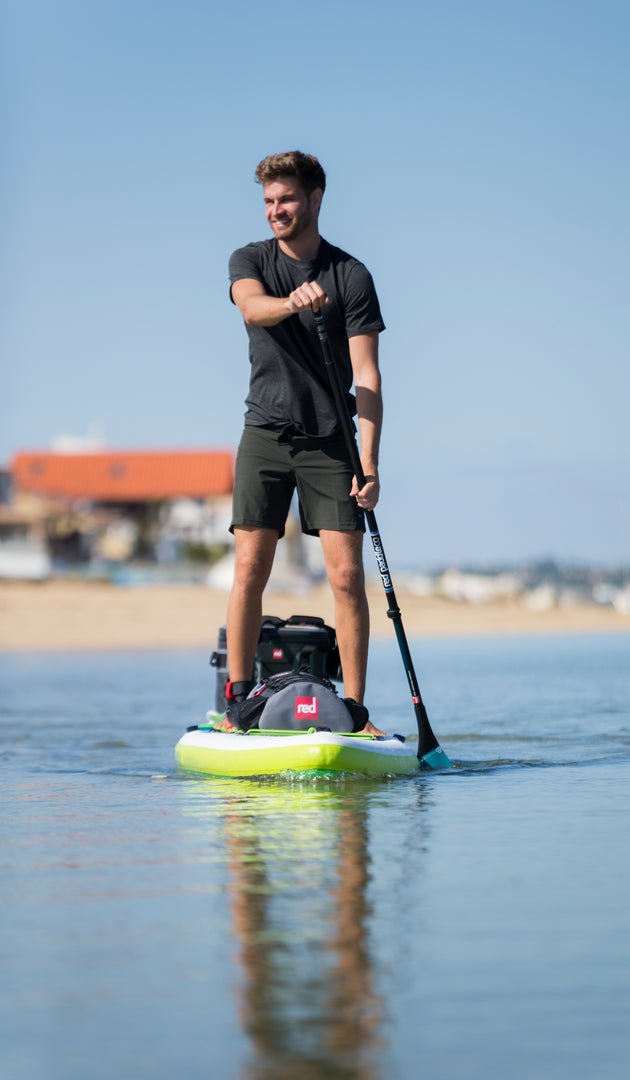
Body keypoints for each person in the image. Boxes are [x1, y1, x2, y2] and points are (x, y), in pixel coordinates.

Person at [223, 151, 385, 736]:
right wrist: (290, 302)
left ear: (315, 199)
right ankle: (237, 707)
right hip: (264, 434)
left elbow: (366, 375)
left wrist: (369, 459)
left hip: (330, 441)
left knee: (346, 577)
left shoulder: (351, 275)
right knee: (249, 568)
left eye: (286, 200)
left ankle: (356, 712)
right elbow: (251, 307)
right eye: (268, 201)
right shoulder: (252, 260)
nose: (276, 211)